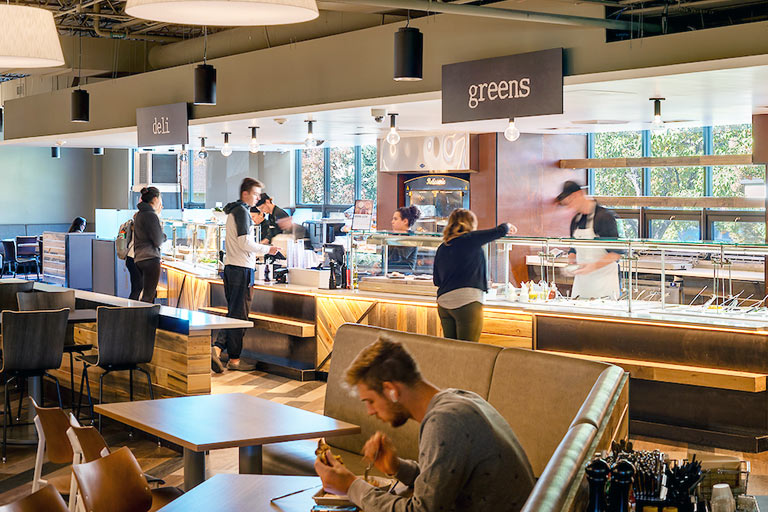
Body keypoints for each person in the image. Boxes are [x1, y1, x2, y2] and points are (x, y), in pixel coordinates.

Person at [314, 337, 535, 512]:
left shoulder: (445, 422)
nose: (370, 411)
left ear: (392, 390)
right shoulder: (458, 399)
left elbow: (422, 510)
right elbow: (446, 480)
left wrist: (351, 487)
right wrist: (398, 468)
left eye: (370, 401)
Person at [212, 178, 278, 373]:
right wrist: (268, 249)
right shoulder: (241, 212)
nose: (258, 198)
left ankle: (220, 351)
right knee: (239, 316)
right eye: (256, 194)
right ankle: (232, 358)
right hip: (241, 269)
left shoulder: (234, 211)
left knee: (235, 314)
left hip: (233, 267)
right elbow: (244, 243)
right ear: (245, 194)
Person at [432, 209, 516, 342]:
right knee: (469, 351)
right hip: (467, 301)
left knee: (451, 350)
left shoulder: (443, 247)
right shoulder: (470, 239)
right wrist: (508, 226)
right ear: (471, 224)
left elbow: (437, 281)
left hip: (443, 303)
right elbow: (498, 231)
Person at [556, 180, 621, 299]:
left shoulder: (605, 217)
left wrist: (592, 266)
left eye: (570, 202)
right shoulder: (576, 220)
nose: (570, 207)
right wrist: (571, 262)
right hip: (582, 284)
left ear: (579, 194)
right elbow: (574, 248)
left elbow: (616, 253)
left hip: (604, 284)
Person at [132, 187, 165, 304]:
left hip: (139, 258)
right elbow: (158, 241)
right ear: (155, 199)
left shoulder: (140, 214)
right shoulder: (151, 215)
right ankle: (144, 320)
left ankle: (139, 319)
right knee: (148, 295)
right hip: (150, 258)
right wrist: (163, 236)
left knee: (144, 293)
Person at [386, 206, 421, 274]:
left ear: (405, 221)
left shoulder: (411, 238)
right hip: (391, 275)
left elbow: (397, 258)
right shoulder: (395, 236)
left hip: (404, 276)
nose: (392, 222)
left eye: (395, 219)